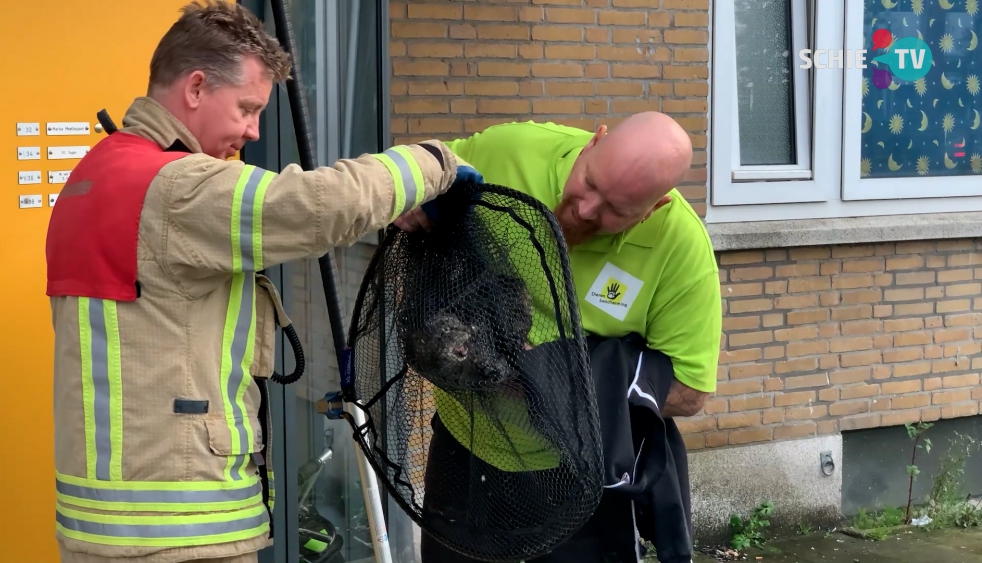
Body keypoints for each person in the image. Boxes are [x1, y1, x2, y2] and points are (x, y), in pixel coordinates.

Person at [44, 2, 478, 562]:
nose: (252, 131)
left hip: (108, 524)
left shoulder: (96, 177)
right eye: (247, 109)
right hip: (181, 529)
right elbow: (315, 205)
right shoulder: (175, 188)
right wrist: (433, 162)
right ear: (196, 87)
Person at [395, 113, 722, 563]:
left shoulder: (680, 249)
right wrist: (410, 191)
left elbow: (689, 391)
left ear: (653, 209)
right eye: (589, 182)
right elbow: (425, 163)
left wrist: (552, 378)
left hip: (582, 477)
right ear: (594, 142)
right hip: (464, 448)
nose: (587, 209)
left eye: (615, 210)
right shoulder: (514, 151)